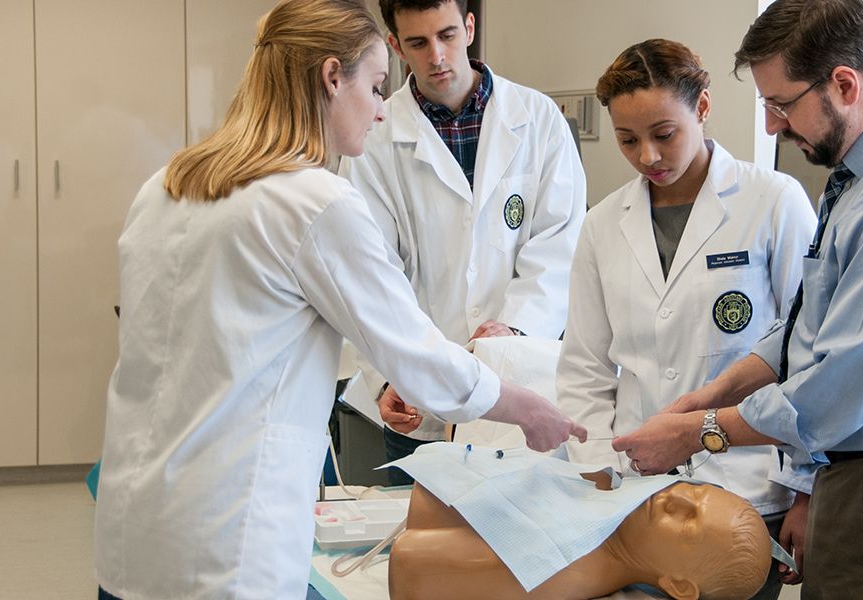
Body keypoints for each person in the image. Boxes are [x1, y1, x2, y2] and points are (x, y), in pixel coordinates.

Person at [92, 1, 585, 598]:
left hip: (134, 530)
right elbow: (420, 359)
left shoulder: (166, 185)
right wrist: (529, 408)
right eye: (377, 86)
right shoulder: (312, 201)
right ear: (332, 77)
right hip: (231, 544)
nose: (382, 110)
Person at [613, 2, 863, 598]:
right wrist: (720, 390)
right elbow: (812, 322)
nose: (772, 126)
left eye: (780, 104)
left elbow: (839, 387)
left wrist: (700, 430)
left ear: (844, 85)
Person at [556, 39, 816, 597]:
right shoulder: (602, 226)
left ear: (702, 107)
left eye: (663, 134)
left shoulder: (773, 201)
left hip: (747, 492)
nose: (648, 155)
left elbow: (807, 356)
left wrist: (806, 489)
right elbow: (584, 369)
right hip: (635, 499)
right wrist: (602, 472)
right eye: (628, 140)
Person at [338, 0, 586, 481]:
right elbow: (368, 273)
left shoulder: (537, 119)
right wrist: (390, 375)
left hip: (520, 383)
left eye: (447, 35)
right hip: (422, 399)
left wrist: (514, 329)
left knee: (518, 542)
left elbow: (561, 243)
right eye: (417, 43)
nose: (436, 56)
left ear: (469, 28)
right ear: (394, 46)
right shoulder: (374, 137)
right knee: (425, 548)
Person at [390, 480, 771, 600]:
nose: (678, 498)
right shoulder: (606, 502)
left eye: (689, 521)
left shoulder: (569, 566)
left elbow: (412, 561)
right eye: (697, 489)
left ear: (678, 586)